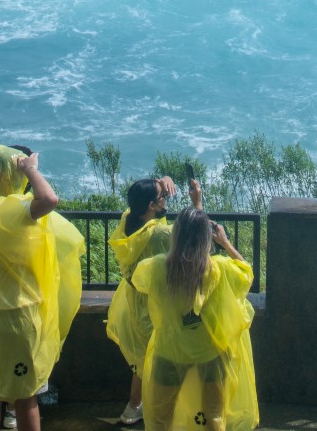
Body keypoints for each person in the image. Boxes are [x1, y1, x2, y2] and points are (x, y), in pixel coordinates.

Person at [0, 147, 84, 431]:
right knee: (26, 397)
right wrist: (32, 169)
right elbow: (49, 199)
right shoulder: (15, 210)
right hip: (22, 317)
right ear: (14, 173)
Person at [131, 208, 258, 431]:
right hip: (210, 351)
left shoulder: (155, 267)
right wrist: (226, 243)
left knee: (160, 417)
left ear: (176, 234)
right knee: (214, 415)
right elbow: (247, 273)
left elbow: (138, 282)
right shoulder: (219, 268)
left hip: (169, 350)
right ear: (207, 237)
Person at [106, 176, 191, 426]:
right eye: (163, 196)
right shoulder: (160, 235)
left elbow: (142, 196)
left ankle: (133, 408)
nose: (167, 197)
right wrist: (196, 203)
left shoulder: (127, 224)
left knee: (143, 360)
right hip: (158, 305)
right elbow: (194, 241)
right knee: (163, 361)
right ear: (152, 206)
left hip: (135, 303)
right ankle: (163, 414)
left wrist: (160, 179)